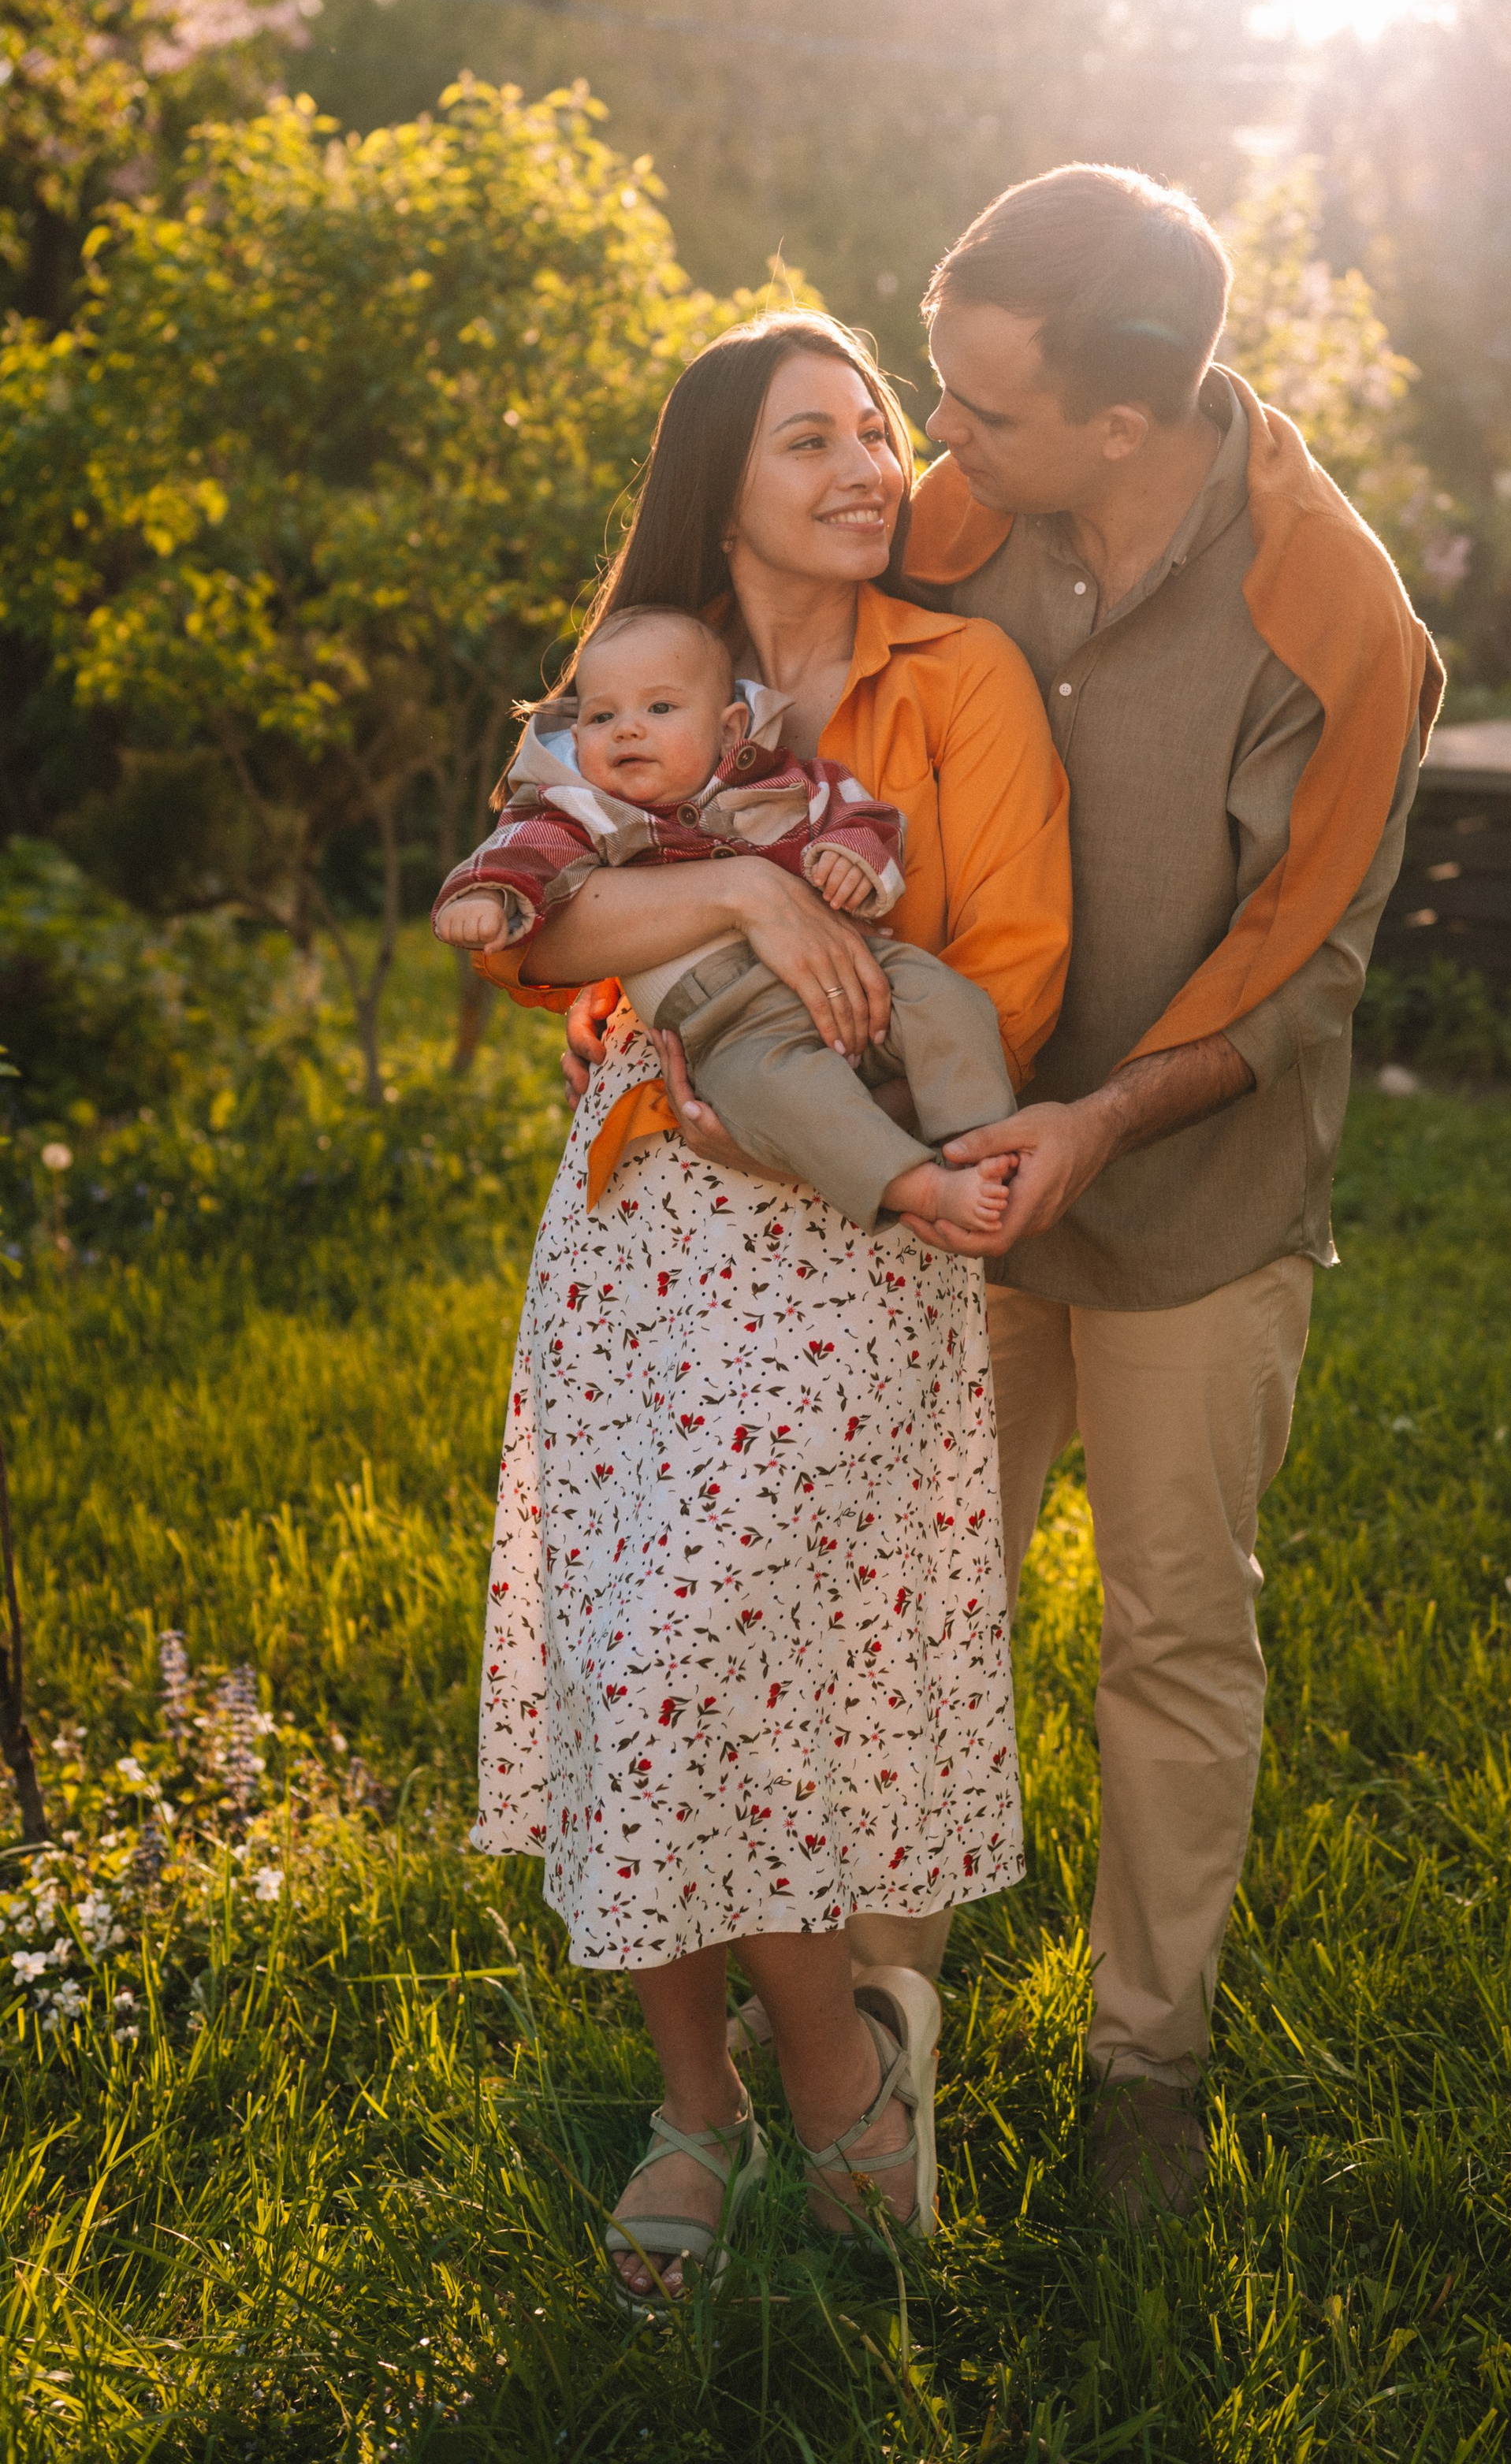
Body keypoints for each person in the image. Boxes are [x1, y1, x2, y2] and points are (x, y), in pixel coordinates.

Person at [568, 168, 1442, 2223]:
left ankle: (1147, 2062)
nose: (931, 453)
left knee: (1165, 1630)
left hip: (1184, 1195)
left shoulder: (1335, 619)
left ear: (1130, 421)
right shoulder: (968, 520)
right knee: (895, 1607)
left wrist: (1094, 1126)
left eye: (977, 414)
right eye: (923, 403)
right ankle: (873, 2023)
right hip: (921, 1184)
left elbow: (1310, 965)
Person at [470, 310, 1071, 2301]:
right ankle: (697, 2104)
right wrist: (746, 897)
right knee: (630, 1649)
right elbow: (527, 916)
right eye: (809, 433)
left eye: (878, 428)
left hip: (853, 1233)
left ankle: (825, 2070)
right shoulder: (633, 666)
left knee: (728, 1657)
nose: (864, 462)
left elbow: (1000, 968)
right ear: (716, 467)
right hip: (639, 1235)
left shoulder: (959, 671)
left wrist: (783, 1083)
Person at [434, 604, 1020, 1236]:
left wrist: (853, 857)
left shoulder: (778, 782)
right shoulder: (586, 815)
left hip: (857, 973)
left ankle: (977, 1141)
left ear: (729, 726)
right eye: (603, 716)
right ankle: (919, 1185)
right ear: (577, 740)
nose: (628, 731)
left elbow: (862, 814)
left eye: (659, 710)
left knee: (945, 997)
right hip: (729, 1024)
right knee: (789, 1098)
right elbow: (524, 852)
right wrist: (484, 897)